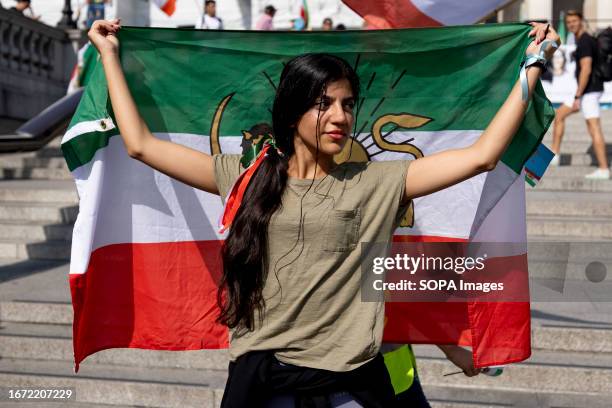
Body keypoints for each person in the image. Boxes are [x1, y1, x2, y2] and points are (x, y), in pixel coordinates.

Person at [87, 18, 558, 406]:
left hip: (348, 386)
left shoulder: (375, 184)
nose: (340, 117)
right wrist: (109, 55)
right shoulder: (246, 177)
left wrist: (532, 62)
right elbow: (141, 145)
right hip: (264, 383)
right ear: (292, 112)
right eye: (324, 103)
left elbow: (482, 155)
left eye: (348, 105)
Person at [550, 10, 609, 179]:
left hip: (588, 92)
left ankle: (604, 168)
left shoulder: (584, 41)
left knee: (593, 128)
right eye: (569, 22)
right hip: (585, 91)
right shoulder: (583, 39)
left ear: (581, 21)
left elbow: (586, 69)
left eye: (574, 21)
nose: (571, 25)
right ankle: (555, 154)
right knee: (559, 115)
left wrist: (578, 96)